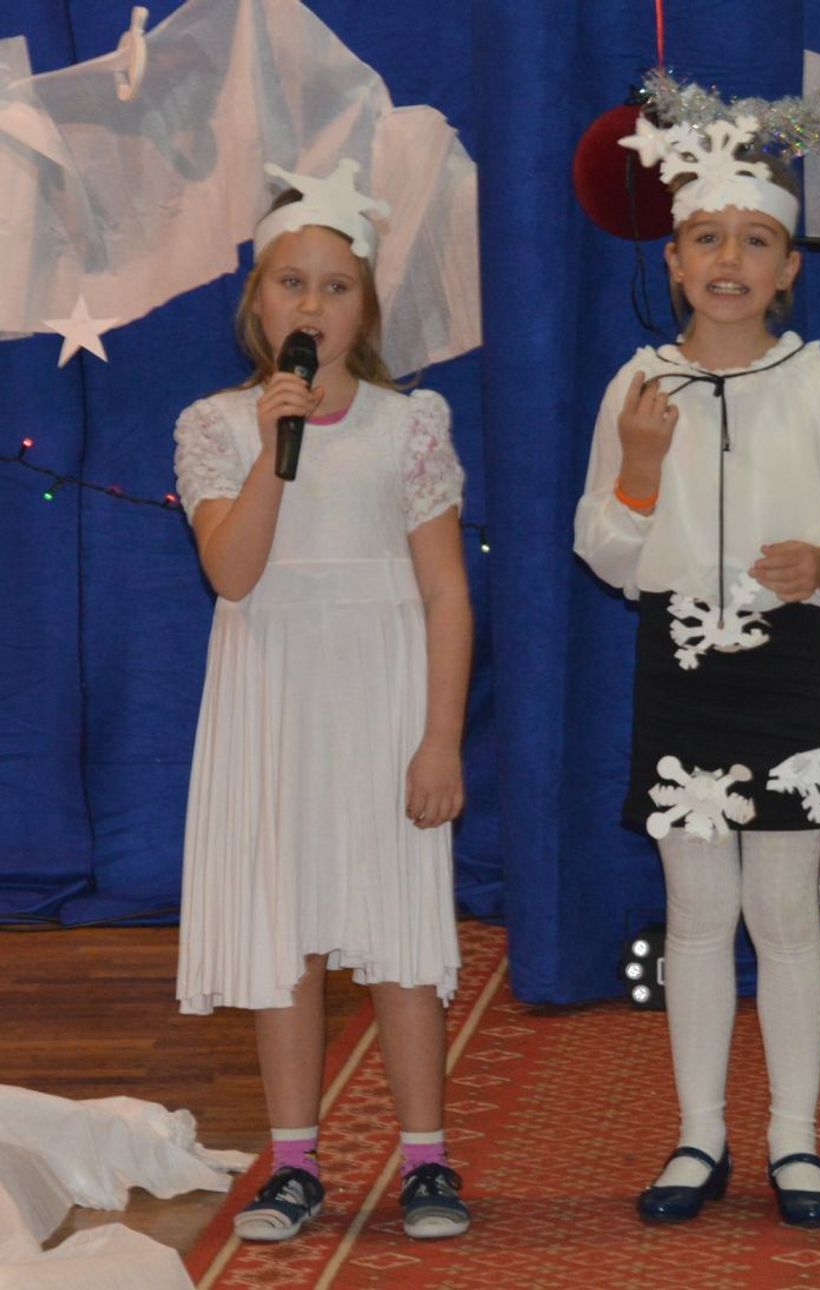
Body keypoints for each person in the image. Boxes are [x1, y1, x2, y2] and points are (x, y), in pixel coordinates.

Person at [575, 118, 820, 1227]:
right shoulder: (639, 385)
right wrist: (639, 467)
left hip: (786, 667)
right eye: (706, 238)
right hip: (679, 665)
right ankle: (699, 1133)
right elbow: (604, 549)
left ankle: (795, 1138)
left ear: (789, 268)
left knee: (786, 910)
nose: (729, 260)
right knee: (699, 910)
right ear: (673, 261)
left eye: (754, 241)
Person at [173, 162, 474, 1241]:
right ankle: (295, 1163)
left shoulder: (409, 425)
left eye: (336, 286)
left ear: (367, 307)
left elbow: (446, 593)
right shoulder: (217, 427)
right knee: (283, 933)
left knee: (399, 937)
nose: (312, 305)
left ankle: (426, 1161)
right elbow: (233, 573)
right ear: (257, 301)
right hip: (274, 703)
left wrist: (440, 739)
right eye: (291, 283)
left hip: (383, 702)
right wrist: (273, 450)